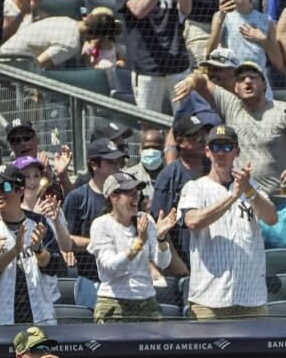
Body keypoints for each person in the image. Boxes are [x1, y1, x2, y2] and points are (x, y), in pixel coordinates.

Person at [178, 125, 277, 319]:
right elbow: (192, 221)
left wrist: (248, 191)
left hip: (251, 297)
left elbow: (272, 218)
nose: (220, 153)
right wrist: (233, 197)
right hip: (209, 299)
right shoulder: (195, 187)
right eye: (215, 147)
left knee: (258, 350)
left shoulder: (250, 186)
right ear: (207, 151)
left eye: (226, 147)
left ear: (237, 151)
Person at [176, 59, 286, 196]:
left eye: (253, 77)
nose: (247, 81)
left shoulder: (284, 111)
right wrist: (191, 81)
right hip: (246, 202)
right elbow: (203, 81)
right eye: (241, 79)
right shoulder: (230, 106)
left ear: (264, 83)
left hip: (283, 200)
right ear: (235, 87)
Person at [114, 0, 192, 125]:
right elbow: (139, 10)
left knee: (186, 125)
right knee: (150, 128)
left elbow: (186, 9)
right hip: (146, 66)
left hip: (177, 62)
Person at [0, 163, 67, 326]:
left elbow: (57, 267)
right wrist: (14, 251)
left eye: (4, 186)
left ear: (19, 190)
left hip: (37, 316)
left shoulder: (38, 222)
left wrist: (39, 250)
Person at [88, 172, 178, 322]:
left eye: (136, 192)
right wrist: (138, 244)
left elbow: (163, 262)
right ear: (113, 197)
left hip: (147, 301)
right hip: (114, 303)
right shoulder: (101, 224)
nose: (136, 197)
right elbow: (111, 266)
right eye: (129, 193)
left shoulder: (145, 219)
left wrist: (161, 238)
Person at [63, 137, 128, 283]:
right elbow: (66, 240)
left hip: (122, 278)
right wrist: (102, 243)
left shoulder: (126, 196)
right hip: (88, 279)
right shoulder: (77, 198)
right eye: (111, 162)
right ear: (94, 164)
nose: (117, 166)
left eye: (118, 161)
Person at [150, 115, 211, 263]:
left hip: (215, 256)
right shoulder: (169, 176)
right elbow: (160, 227)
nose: (203, 140)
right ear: (180, 142)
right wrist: (178, 265)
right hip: (186, 260)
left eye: (204, 135)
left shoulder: (214, 169)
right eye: (196, 136)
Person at [210, 0, 284, 81]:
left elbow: (279, 63)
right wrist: (219, 22)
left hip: (260, 85)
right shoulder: (222, 17)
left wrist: (263, 40)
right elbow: (209, 54)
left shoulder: (266, 20)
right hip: (233, 83)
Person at [0, 7, 124, 69]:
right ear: (95, 36)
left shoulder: (65, 20)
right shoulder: (71, 43)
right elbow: (37, 65)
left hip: (2, 58)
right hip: (7, 68)